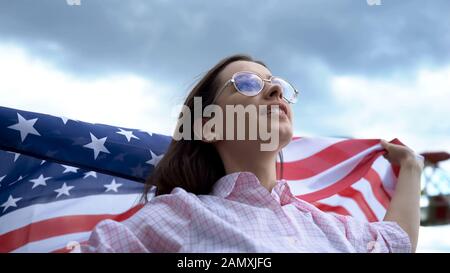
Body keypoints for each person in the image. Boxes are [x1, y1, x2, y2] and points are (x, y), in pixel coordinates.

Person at [80, 54, 424, 253]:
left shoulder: (328, 226)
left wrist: (410, 168)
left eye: (277, 85)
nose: (276, 89)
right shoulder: (181, 214)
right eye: (247, 84)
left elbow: (396, 245)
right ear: (209, 127)